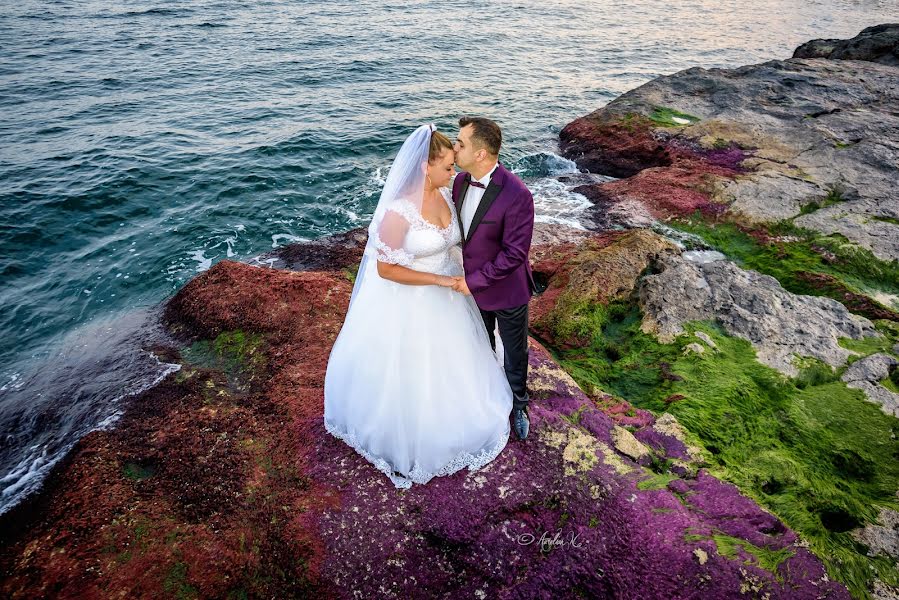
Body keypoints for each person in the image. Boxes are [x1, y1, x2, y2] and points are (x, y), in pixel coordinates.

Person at [323, 124, 513, 489]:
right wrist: (442, 281)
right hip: (410, 302)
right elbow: (386, 268)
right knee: (410, 370)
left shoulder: (445, 196)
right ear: (426, 168)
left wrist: (472, 274)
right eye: (447, 167)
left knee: (458, 366)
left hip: (452, 299)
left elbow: (453, 246)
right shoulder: (398, 213)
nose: (453, 172)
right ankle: (409, 435)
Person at [450, 116, 537, 440]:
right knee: (479, 343)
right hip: (470, 287)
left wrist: (474, 281)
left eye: (460, 143)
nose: (454, 148)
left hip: (506, 290)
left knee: (515, 352)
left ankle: (519, 404)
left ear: (481, 154)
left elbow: (515, 254)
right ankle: (484, 395)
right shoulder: (459, 182)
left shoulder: (517, 194)